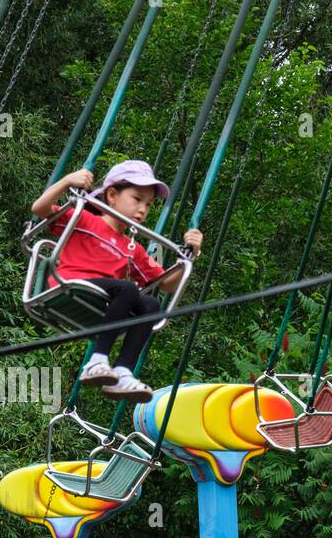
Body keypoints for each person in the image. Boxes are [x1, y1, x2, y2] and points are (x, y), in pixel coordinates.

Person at [30, 159, 204, 403]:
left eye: (148, 204)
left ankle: (122, 372)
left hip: (103, 299)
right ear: (112, 195)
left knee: (151, 306)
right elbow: (40, 208)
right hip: (71, 284)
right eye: (137, 199)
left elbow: (167, 284)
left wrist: (190, 256)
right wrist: (68, 181)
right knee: (129, 288)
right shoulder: (84, 220)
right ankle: (97, 360)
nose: (143, 209)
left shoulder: (132, 247)